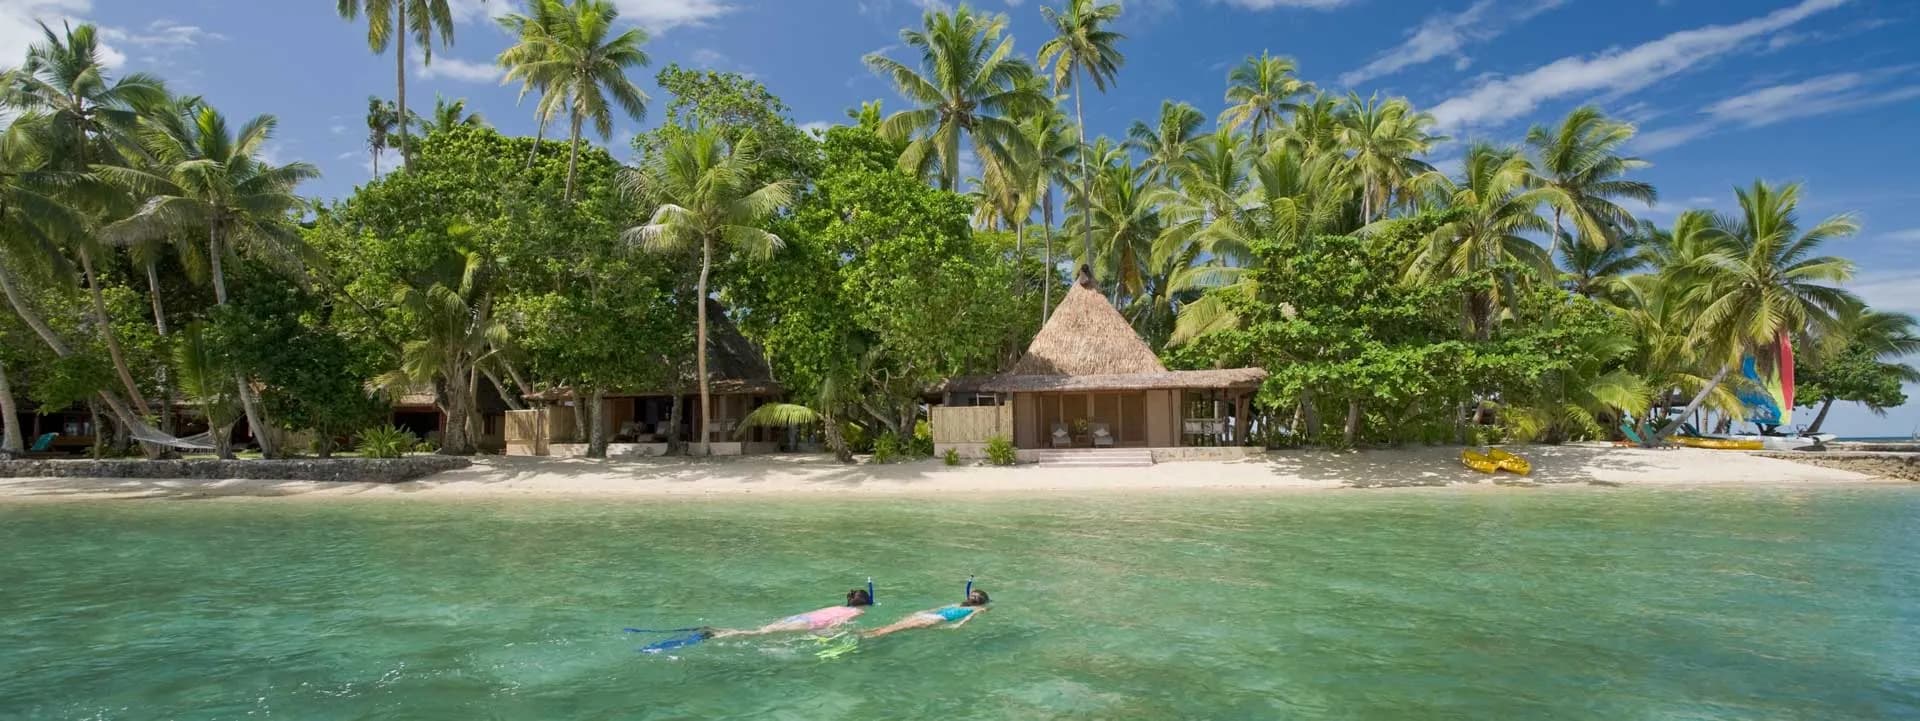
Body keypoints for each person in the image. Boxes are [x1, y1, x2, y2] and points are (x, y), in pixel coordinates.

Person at [705, 588, 873, 639]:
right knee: (758, 633)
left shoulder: (837, 606)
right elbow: (837, 623)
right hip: (806, 624)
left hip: (799, 618)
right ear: (865, 603)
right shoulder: (858, 612)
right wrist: (829, 634)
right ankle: (716, 634)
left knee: (763, 630)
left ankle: (717, 630)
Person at [861, 589, 990, 639]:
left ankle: (866, 632)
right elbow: (968, 619)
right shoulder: (976, 609)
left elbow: (938, 608)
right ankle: (868, 637)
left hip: (927, 616)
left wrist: (921, 612)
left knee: (895, 626)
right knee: (897, 628)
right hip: (934, 619)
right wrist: (957, 626)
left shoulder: (959, 604)